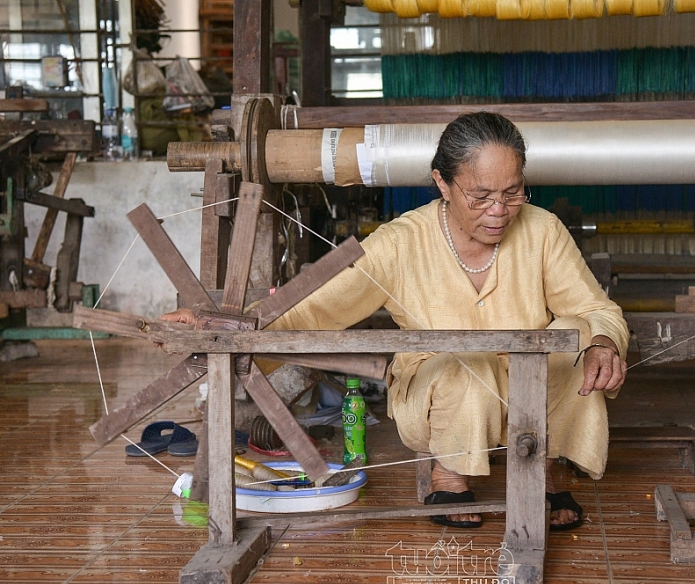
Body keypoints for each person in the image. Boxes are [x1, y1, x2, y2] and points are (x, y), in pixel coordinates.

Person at [164, 112, 629, 530]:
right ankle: (449, 472)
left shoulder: (542, 229)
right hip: (437, 387)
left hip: (526, 379)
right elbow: (317, 306)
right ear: (443, 184)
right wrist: (228, 328)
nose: (499, 210)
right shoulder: (402, 242)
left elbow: (596, 308)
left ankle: (542, 471)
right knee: (467, 365)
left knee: (580, 338)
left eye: (512, 192)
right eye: (481, 195)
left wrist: (603, 341)